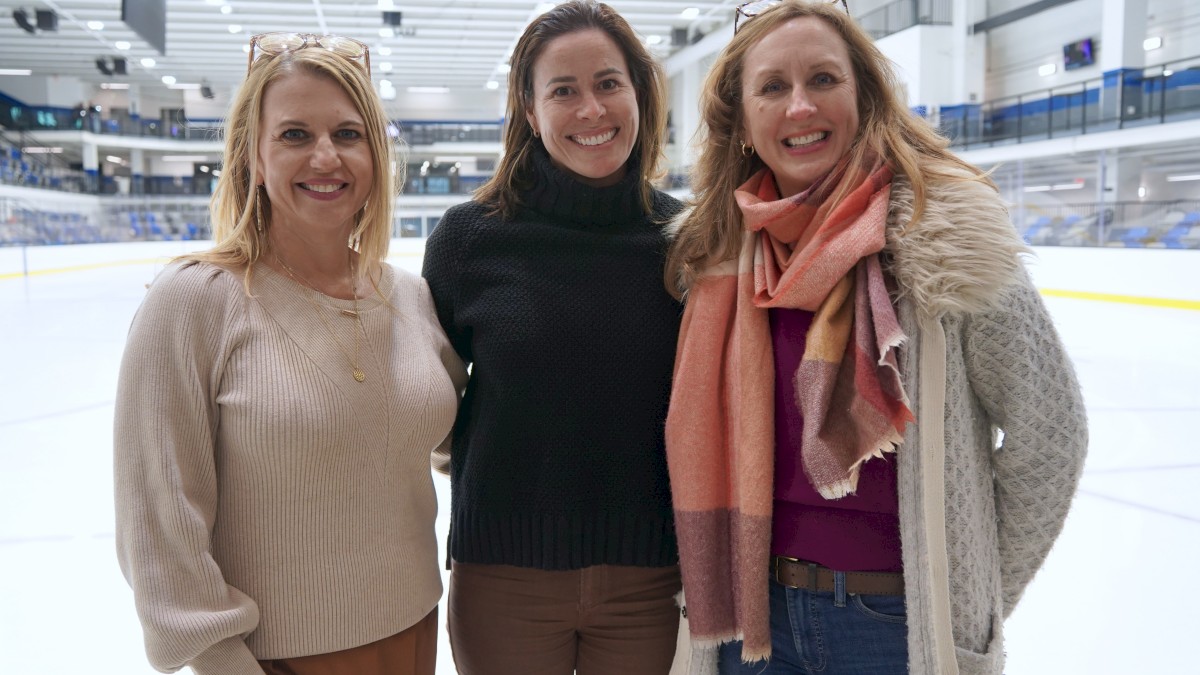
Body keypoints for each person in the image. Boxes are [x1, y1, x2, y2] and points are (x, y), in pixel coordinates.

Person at [664, 2, 1089, 674]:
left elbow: (1051, 434)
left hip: (895, 629)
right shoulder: (716, 259)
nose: (801, 106)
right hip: (755, 626)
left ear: (864, 95)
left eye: (824, 79)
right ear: (742, 123)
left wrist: (966, 596)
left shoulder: (945, 237)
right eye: (773, 87)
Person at [114, 32, 466, 675]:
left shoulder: (409, 296)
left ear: (376, 154)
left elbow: (449, 442)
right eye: (295, 135)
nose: (325, 157)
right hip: (281, 657)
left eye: (348, 134)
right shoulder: (194, 302)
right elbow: (160, 529)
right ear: (252, 154)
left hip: (419, 633)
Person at [421, 2, 685, 673]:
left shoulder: (689, 240)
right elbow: (432, 402)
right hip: (503, 579)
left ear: (639, 94)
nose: (590, 109)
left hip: (652, 581)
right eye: (563, 90)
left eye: (607, 83)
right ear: (531, 111)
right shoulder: (466, 240)